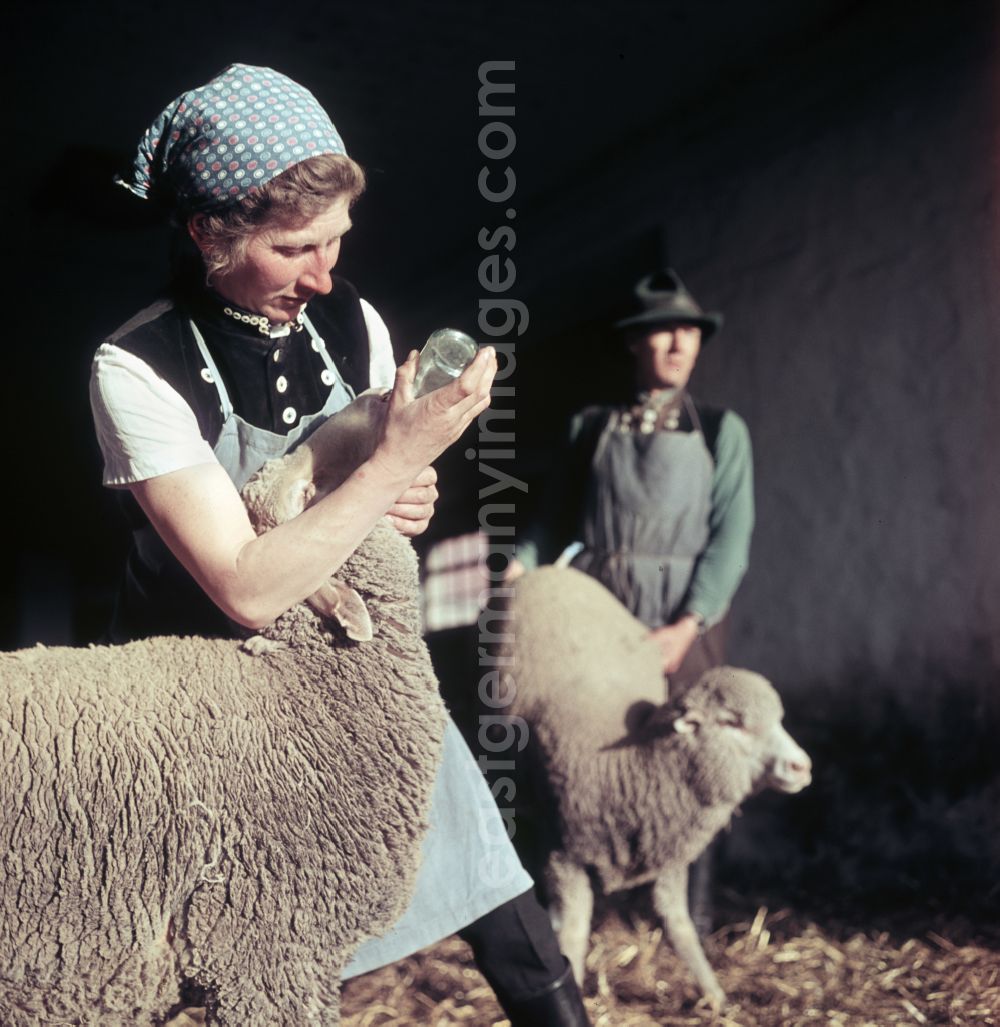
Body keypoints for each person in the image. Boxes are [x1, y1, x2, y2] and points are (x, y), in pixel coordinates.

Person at [90, 63, 589, 1026]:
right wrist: (388, 459)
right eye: (293, 249)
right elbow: (242, 585)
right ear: (208, 234)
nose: (324, 274)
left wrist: (404, 491)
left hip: (351, 670)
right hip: (207, 690)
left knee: (485, 868)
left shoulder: (348, 320)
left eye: (336, 242)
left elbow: (381, 504)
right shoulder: (134, 368)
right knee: (182, 950)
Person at [512, 268, 754, 690]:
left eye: (690, 332)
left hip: (682, 625)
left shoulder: (721, 430)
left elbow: (730, 539)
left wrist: (686, 627)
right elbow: (552, 522)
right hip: (597, 615)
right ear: (634, 341)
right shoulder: (589, 427)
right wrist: (517, 570)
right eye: (664, 330)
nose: (679, 344)